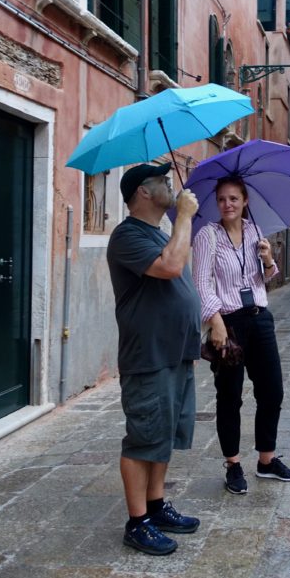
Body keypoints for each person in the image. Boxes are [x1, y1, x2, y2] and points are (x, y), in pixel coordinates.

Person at [106, 162, 202, 556]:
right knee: (144, 436)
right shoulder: (127, 235)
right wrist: (185, 219)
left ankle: (157, 505)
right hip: (148, 355)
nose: (170, 183)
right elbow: (171, 266)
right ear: (143, 193)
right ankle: (137, 522)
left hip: (176, 352)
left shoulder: (159, 232)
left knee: (164, 433)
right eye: (163, 181)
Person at [192, 175, 290, 495]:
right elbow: (202, 284)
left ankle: (266, 460)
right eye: (222, 199)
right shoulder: (207, 236)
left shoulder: (254, 231)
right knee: (230, 394)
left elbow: (261, 279)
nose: (227, 205)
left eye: (234, 199)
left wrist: (267, 260)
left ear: (245, 202)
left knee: (272, 391)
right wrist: (216, 323)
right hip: (228, 321)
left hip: (259, 318)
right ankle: (233, 463)